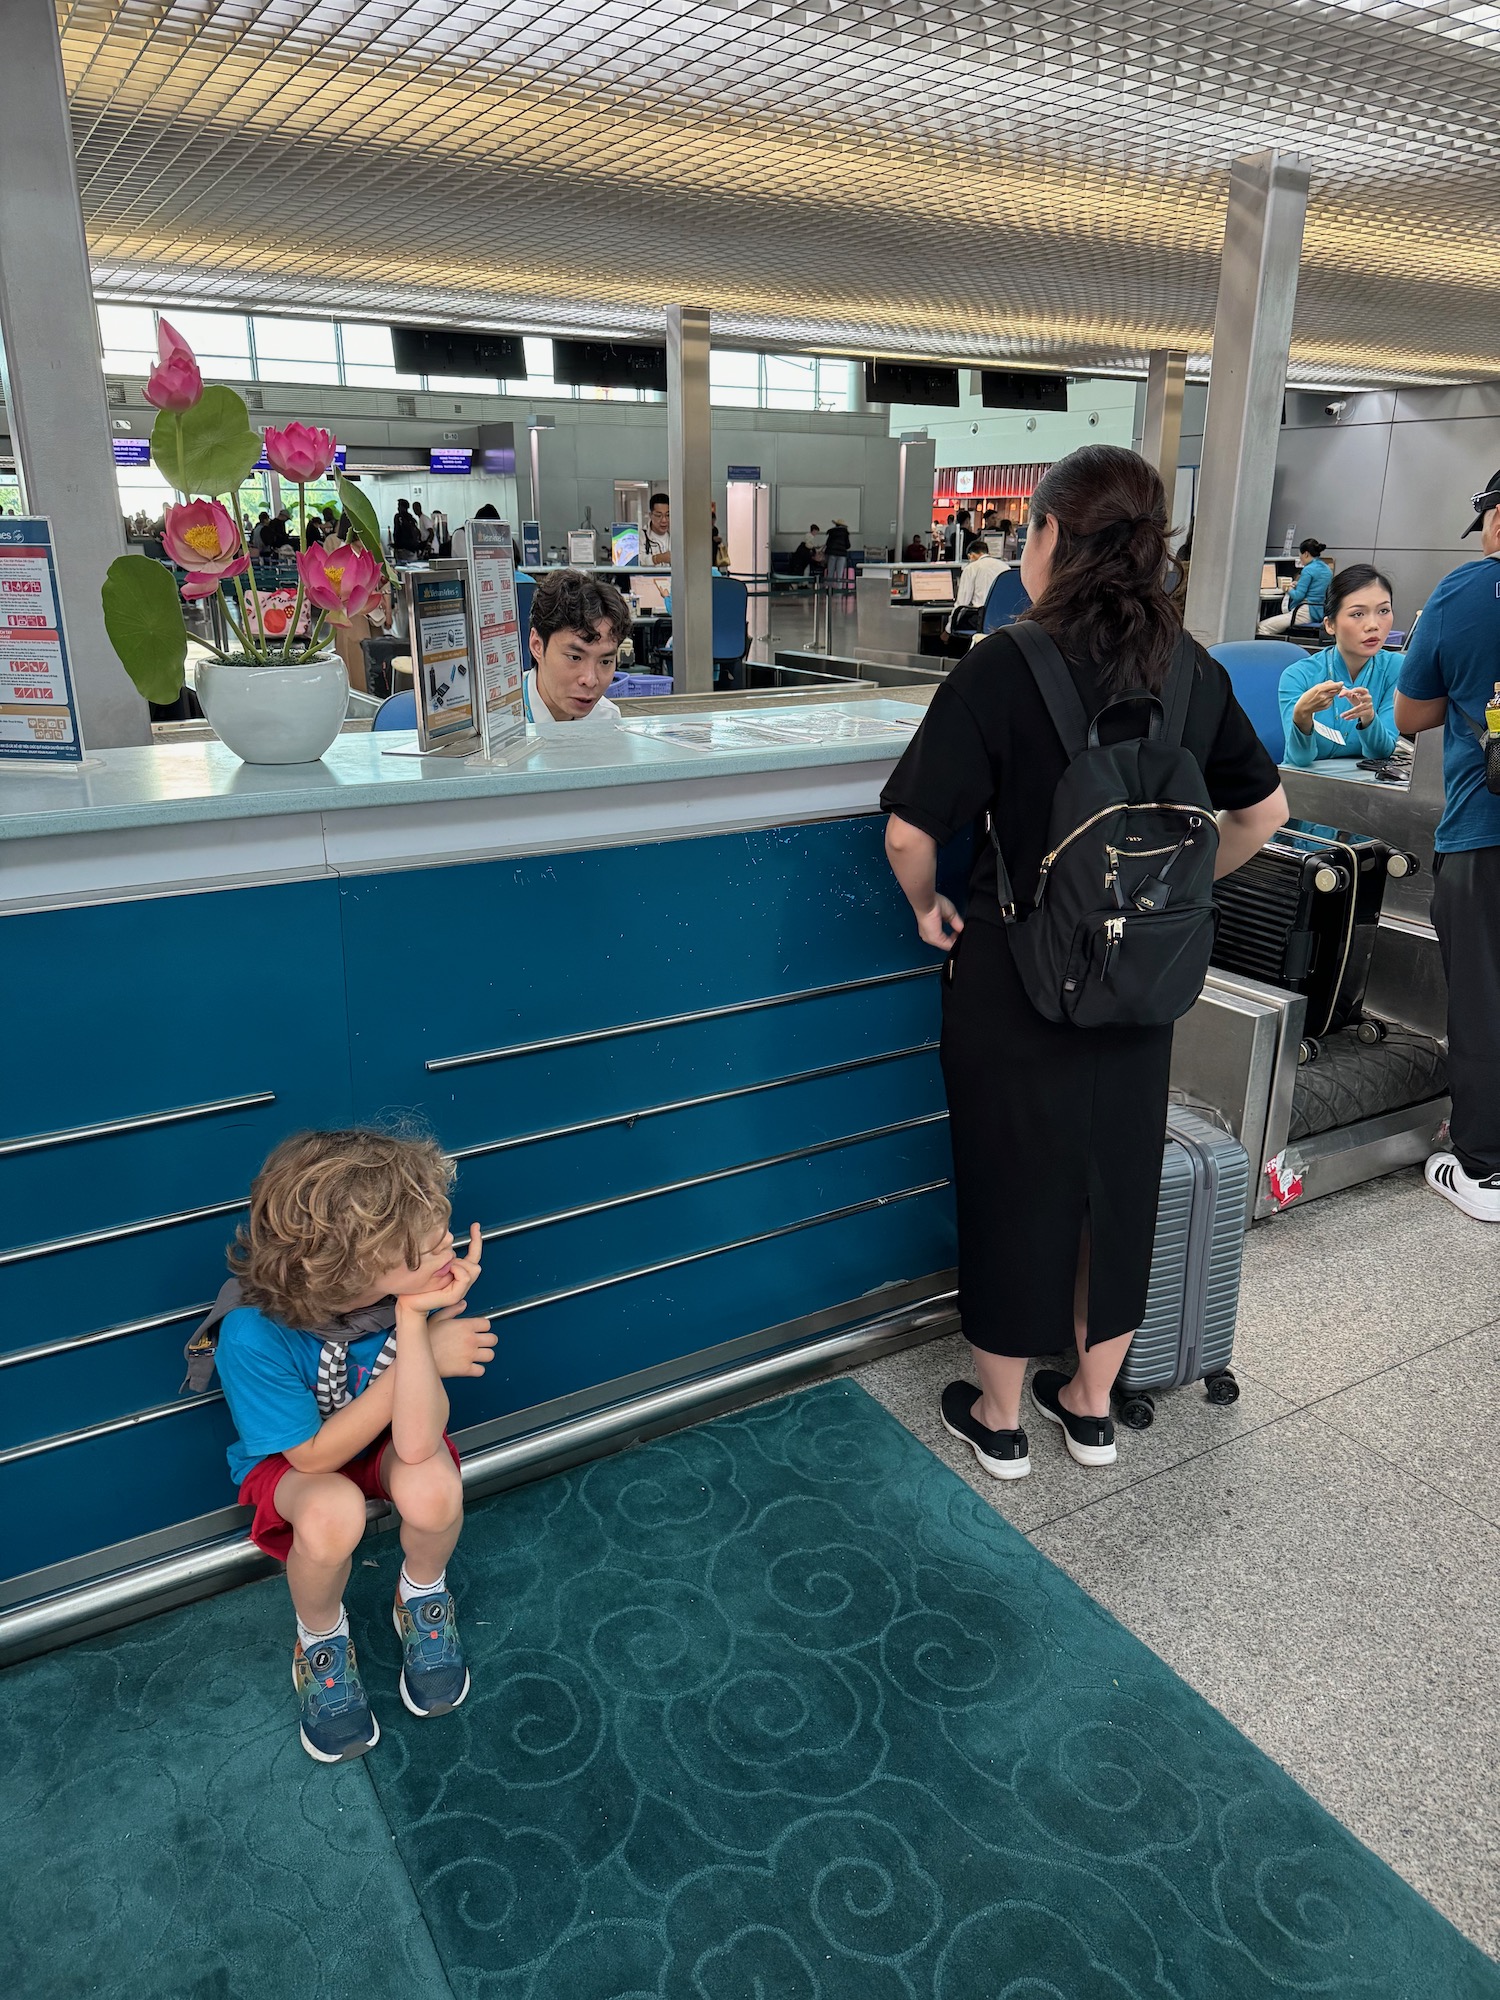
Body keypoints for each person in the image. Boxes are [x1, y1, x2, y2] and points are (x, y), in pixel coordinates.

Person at [880, 444, 1287, 1481]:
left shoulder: (1002, 663)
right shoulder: (1191, 666)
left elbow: (909, 832)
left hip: (1014, 976)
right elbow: (1263, 813)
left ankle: (1002, 1415)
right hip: (1139, 985)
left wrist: (930, 910)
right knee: (1118, 1185)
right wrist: (1171, 901)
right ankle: (1094, 1405)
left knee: (1011, 1179)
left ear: (1053, 534)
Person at [201, 1130, 494, 1762]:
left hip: (386, 1442)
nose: (449, 1242)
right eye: (428, 1242)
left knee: (434, 1485)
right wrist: (425, 1354)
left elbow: (416, 1443)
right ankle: (320, 1638)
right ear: (351, 1272)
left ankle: (420, 1595)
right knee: (332, 1513)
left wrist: (418, 1324)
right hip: (298, 1462)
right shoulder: (252, 1336)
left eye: (441, 1225)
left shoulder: (406, 1299)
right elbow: (311, 1457)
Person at [1396, 468, 1500, 1224]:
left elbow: (1409, 715)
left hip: (1485, 836)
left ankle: (1484, 1169)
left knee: (1484, 1001)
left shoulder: (1464, 594)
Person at [1279, 565, 1401, 766]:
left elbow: (1381, 753)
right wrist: (1302, 716)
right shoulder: (1297, 676)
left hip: (1365, 787)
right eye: (1357, 614)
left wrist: (1369, 718)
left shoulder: (1395, 668)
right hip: (1304, 787)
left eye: (1383, 611)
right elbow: (1299, 760)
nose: (1373, 625)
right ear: (1330, 625)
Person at [524, 567, 630, 729]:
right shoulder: (498, 722)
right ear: (537, 645)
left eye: (606, 661)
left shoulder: (607, 720)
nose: (590, 680)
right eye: (575, 657)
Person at [1258, 537, 1333, 635]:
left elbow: (1298, 596)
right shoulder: (1327, 569)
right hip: (1319, 612)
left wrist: (1287, 588)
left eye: (1300, 555)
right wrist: (1299, 584)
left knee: (1262, 627)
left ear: (1306, 554)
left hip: (1305, 612)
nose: (1300, 558)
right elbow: (1317, 587)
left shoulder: (1308, 569)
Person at [945, 538, 1010, 647]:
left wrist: (948, 629)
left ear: (971, 555)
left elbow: (962, 602)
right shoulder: (1005, 567)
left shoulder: (971, 568)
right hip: (1003, 619)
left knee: (953, 636)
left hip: (980, 619)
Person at [823, 518, 852, 589]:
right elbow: (848, 545)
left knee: (830, 572)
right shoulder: (845, 533)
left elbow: (828, 543)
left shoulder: (832, 532)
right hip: (842, 555)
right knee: (839, 573)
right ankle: (839, 589)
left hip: (832, 554)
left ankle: (829, 589)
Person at [645, 493, 671, 566]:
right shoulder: (641, 537)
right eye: (659, 516)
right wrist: (658, 558)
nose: (664, 520)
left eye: (668, 515)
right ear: (651, 515)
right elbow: (638, 562)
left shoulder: (678, 535)